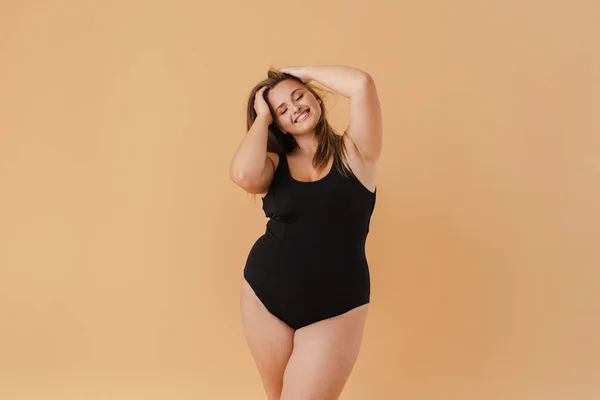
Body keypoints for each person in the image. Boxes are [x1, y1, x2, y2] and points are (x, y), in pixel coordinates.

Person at [229, 65, 382, 400]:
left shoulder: (356, 152)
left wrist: (300, 72)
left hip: (337, 305)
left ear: (316, 98)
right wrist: (261, 118)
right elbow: (242, 174)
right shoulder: (272, 163)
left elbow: (362, 84)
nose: (295, 107)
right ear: (277, 124)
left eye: (299, 97)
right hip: (265, 296)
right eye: (282, 109)